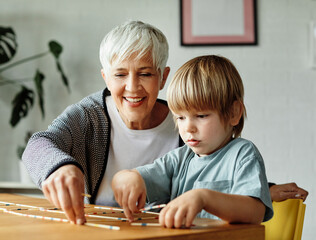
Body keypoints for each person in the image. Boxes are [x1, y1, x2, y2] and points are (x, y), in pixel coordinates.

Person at [22, 20, 307, 226]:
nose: (132, 87)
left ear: (163, 76)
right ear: (105, 78)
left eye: (145, 73)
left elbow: (216, 167)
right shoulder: (89, 116)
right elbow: (38, 144)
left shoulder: (183, 120)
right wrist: (59, 167)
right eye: (120, 74)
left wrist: (261, 191)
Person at [112, 55, 274, 228]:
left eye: (201, 116)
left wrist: (204, 198)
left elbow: (254, 212)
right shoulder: (179, 159)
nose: (188, 128)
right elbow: (131, 178)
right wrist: (126, 179)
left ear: (234, 113)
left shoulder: (243, 154)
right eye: (180, 117)